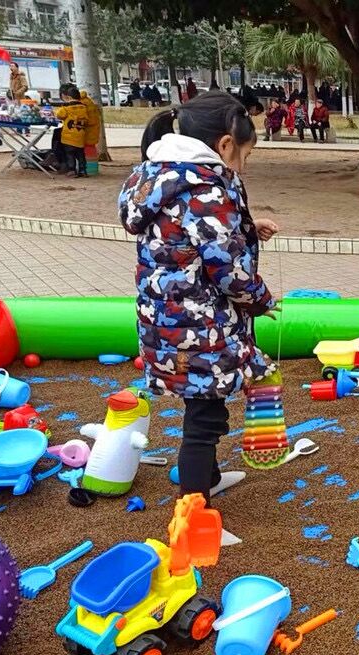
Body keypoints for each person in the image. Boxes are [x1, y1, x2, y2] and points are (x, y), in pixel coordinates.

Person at [119, 91, 279, 503]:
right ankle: (193, 513)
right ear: (225, 144)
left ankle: (205, 480)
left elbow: (189, 236)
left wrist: (245, 227)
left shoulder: (164, 175)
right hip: (199, 325)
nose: (243, 165)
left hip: (169, 320)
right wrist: (261, 299)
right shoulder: (206, 189)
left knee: (202, 405)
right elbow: (228, 271)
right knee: (204, 419)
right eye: (244, 155)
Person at [54, 85, 88, 177]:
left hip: (69, 137)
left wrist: (56, 111)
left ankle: (72, 170)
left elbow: (59, 115)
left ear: (68, 97)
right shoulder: (84, 107)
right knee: (81, 154)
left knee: (70, 154)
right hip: (80, 135)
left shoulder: (66, 107)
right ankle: (82, 170)